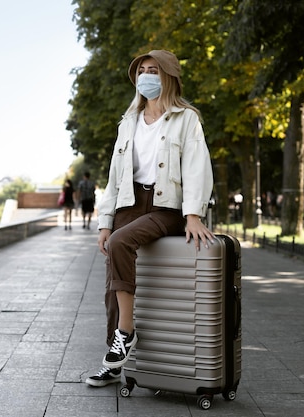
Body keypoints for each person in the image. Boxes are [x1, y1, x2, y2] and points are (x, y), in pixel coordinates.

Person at [85, 50, 215, 387]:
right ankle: (113, 364)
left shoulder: (186, 118)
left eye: (153, 70)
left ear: (168, 76)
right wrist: (105, 221)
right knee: (111, 278)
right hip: (130, 202)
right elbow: (115, 175)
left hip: (165, 206)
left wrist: (193, 214)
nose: (146, 76)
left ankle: (126, 334)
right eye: (141, 70)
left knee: (121, 243)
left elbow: (197, 166)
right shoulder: (128, 121)